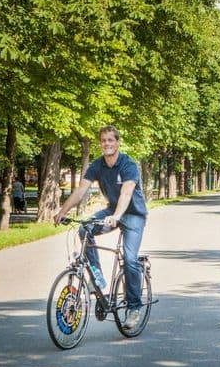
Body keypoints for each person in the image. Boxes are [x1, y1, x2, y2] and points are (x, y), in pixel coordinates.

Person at [53, 125, 148, 329]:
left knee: (130, 258)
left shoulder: (128, 164)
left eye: (110, 140)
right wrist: (63, 211)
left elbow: (126, 193)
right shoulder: (97, 165)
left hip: (133, 215)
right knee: (84, 229)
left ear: (117, 142)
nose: (107, 144)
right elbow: (81, 191)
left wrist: (117, 216)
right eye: (104, 140)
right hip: (112, 211)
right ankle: (98, 278)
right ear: (100, 143)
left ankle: (134, 308)